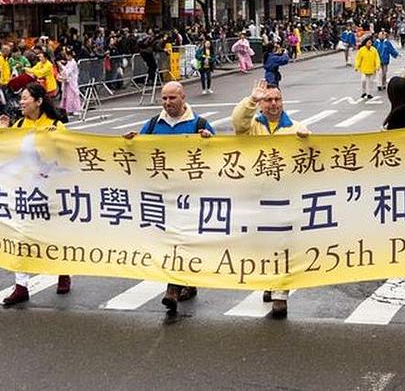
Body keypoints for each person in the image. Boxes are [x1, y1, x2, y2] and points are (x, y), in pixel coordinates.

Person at [123, 81, 215, 315]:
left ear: (183, 97)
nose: (167, 103)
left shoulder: (200, 124)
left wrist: (208, 141)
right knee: (171, 240)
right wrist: (132, 142)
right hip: (163, 195)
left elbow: (218, 156)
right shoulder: (154, 124)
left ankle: (173, 288)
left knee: (183, 239)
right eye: (164, 98)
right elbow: (140, 151)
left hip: (190, 195)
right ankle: (183, 283)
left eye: (172, 98)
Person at [232, 80, 310, 319]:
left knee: (283, 244)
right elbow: (237, 122)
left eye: (277, 99)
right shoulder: (252, 127)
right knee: (263, 244)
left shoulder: (297, 128)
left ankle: (280, 295)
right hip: (258, 196)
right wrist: (252, 99)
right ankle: (269, 281)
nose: (273, 104)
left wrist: (307, 143)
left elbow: (312, 163)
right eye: (268, 100)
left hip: (286, 198)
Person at [0, 82, 72, 306]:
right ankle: (21, 285)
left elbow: (68, 153)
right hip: (24, 190)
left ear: (38, 101)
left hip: (52, 191)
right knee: (21, 236)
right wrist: (2, 130)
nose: (21, 102)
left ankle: (64, 272)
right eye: (20, 98)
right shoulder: (18, 124)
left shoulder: (56, 125)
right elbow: (0, 150)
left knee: (55, 234)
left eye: (25, 98)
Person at [58, 47, 82, 116]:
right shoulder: (69, 62)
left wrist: (61, 66)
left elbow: (68, 71)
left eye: (67, 56)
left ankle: (75, 109)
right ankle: (67, 109)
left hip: (72, 81)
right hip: (67, 81)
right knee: (66, 96)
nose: (66, 57)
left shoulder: (73, 63)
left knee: (72, 96)